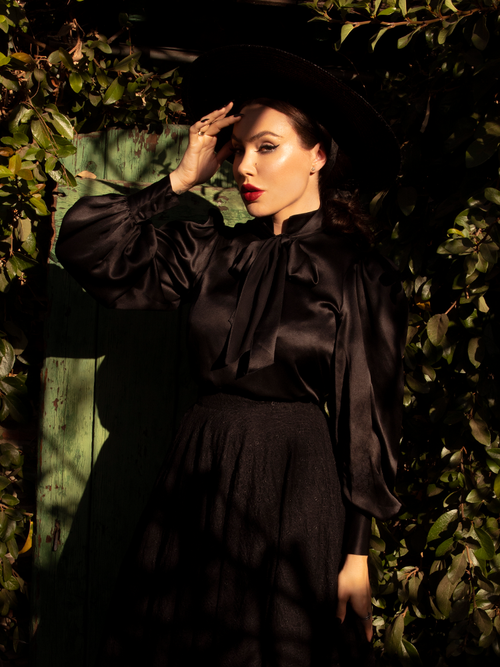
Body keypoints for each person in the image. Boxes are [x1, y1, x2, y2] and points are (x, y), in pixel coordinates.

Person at [56, 45, 407, 667]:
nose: (245, 166)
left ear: (318, 154)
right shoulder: (207, 251)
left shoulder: (358, 271)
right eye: (238, 148)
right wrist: (178, 181)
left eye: (267, 147)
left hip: (296, 482)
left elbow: (367, 416)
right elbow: (89, 246)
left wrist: (357, 554)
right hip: (200, 467)